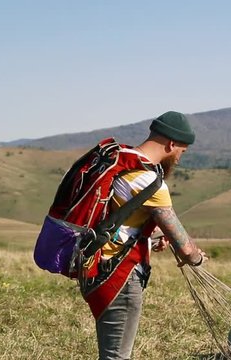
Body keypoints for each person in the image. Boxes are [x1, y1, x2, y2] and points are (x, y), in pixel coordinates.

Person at [88, 111, 207, 360]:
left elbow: (117, 220)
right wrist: (197, 259)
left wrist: (149, 239)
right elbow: (184, 245)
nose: (180, 158)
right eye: (182, 151)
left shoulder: (121, 164)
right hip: (120, 277)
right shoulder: (150, 181)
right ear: (171, 144)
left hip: (95, 271)